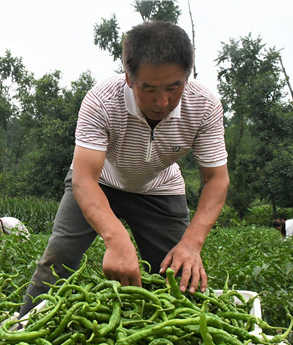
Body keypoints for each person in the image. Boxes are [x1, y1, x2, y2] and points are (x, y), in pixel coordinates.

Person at [19, 20, 229, 317]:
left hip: (160, 189)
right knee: (58, 261)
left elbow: (217, 180)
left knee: (178, 276)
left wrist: (192, 244)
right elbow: (83, 178)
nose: (162, 101)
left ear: (187, 76)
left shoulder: (204, 106)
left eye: (174, 87)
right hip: (99, 182)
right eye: (149, 89)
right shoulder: (102, 101)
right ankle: (22, 327)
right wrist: (116, 239)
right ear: (129, 79)